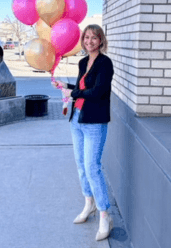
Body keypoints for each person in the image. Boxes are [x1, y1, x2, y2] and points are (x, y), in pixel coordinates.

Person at [52, 24, 114, 241]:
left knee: (92, 167)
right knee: (80, 165)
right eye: (86, 37)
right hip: (77, 119)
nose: (89, 41)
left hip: (94, 122)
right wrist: (65, 85)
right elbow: (81, 88)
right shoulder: (82, 62)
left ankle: (105, 214)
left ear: (100, 41)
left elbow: (97, 92)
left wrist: (74, 91)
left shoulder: (105, 63)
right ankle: (89, 204)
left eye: (94, 38)